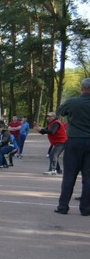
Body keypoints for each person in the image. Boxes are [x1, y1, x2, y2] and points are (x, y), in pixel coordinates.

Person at [55, 78, 90, 215]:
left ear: (82, 88)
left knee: (69, 175)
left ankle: (63, 206)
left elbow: (61, 111)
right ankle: (86, 209)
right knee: (88, 178)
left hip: (74, 141)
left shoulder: (73, 102)